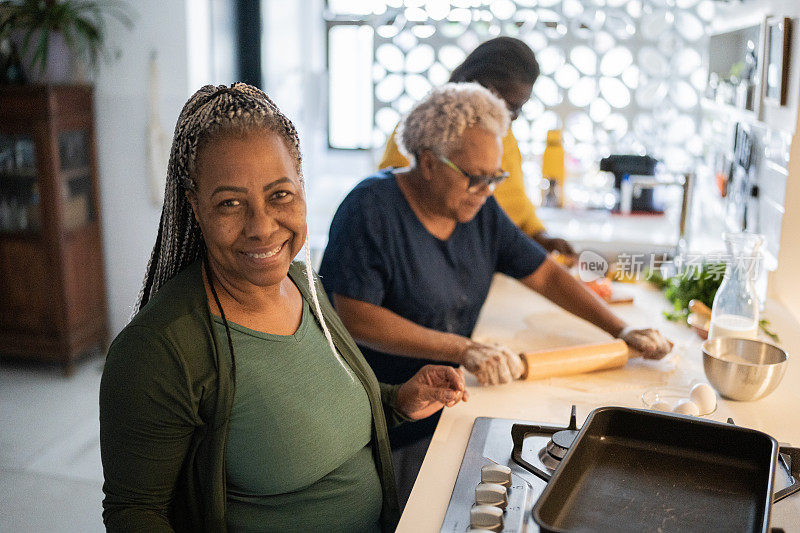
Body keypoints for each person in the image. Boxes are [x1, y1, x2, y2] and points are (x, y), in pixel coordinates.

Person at [99, 83, 468, 533]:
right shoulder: (158, 350)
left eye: (280, 194)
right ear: (195, 206)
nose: (261, 226)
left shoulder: (303, 284)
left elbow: (329, 420)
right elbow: (134, 513)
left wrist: (399, 402)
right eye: (230, 203)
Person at [319, 83, 672, 507]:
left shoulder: (479, 210)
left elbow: (545, 275)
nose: (486, 190)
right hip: (385, 420)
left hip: (449, 402)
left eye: (495, 177)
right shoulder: (369, 210)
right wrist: (463, 348)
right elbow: (356, 317)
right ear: (429, 163)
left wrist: (622, 327)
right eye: (474, 177)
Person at [378, 36, 576, 263]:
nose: (512, 117)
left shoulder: (501, 135)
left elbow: (516, 205)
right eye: (509, 106)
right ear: (475, 84)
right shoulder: (423, 129)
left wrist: (540, 237)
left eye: (520, 108)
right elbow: (397, 207)